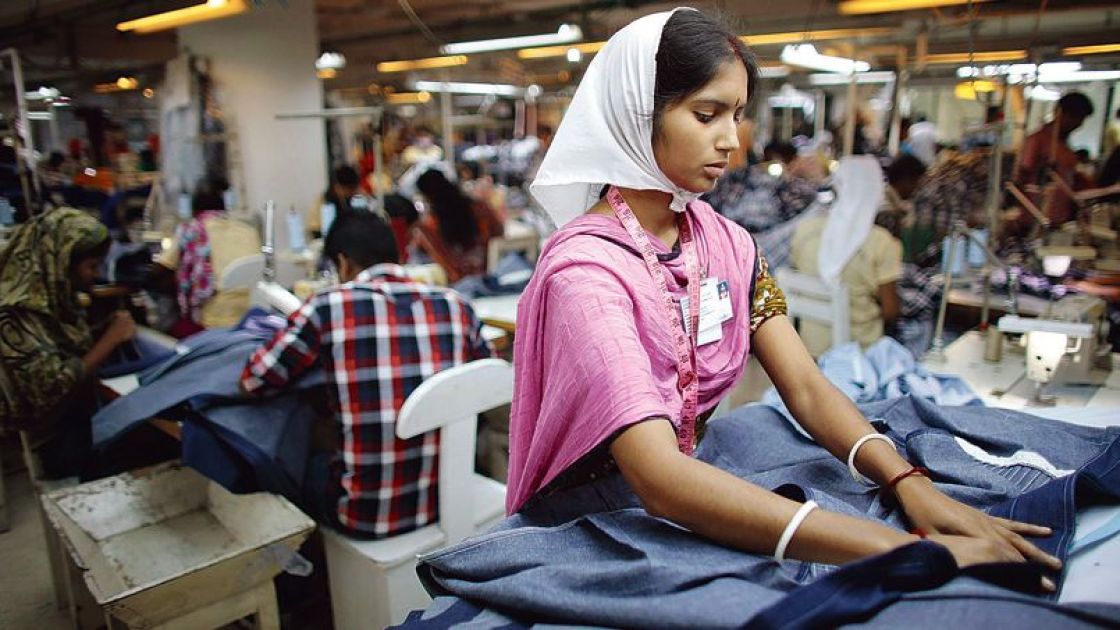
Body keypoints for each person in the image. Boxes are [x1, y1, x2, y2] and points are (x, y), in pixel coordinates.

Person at [511, 8, 1060, 580]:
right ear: (637, 113)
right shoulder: (587, 272)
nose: (731, 140)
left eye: (738, 115)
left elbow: (804, 385)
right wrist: (903, 549)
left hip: (683, 486)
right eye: (707, 114)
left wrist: (907, 483)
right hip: (598, 521)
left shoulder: (726, 245)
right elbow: (659, 478)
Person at [240, 211, 491, 537]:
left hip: (366, 516)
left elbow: (253, 380)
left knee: (301, 458)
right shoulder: (458, 305)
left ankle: (306, 581)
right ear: (398, 255)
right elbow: (489, 380)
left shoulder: (326, 307)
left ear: (343, 263)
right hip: (449, 499)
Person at [0, 208, 137, 478]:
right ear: (61, 261)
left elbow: (60, 345)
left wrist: (102, 330)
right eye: (91, 266)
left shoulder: (52, 297)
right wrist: (110, 339)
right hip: (52, 439)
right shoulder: (17, 314)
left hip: (73, 421)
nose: (95, 276)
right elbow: (52, 388)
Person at [790, 157, 901, 356]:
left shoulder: (805, 231)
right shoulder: (882, 242)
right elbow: (890, 311)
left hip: (809, 350)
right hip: (860, 354)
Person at [154, 177, 260, 334]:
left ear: (193, 209)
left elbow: (161, 270)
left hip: (213, 320)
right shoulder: (248, 231)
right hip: (251, 311)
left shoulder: (191, 231)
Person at [1013, 91, 1095, 228]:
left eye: (1081, 119)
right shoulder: (1038, 140)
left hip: (1058, 219)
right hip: (1035, 219)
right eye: (1075, 117)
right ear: (1059, 112)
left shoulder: (1065, 146)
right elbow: (1022, 175)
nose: (1078, 124)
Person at [412, 168, 504, 282]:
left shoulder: (428, 227)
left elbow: (445, 262)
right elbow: (499, 232)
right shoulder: (479, 208)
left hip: (459, 281)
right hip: (491, 273)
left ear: (426, 196)